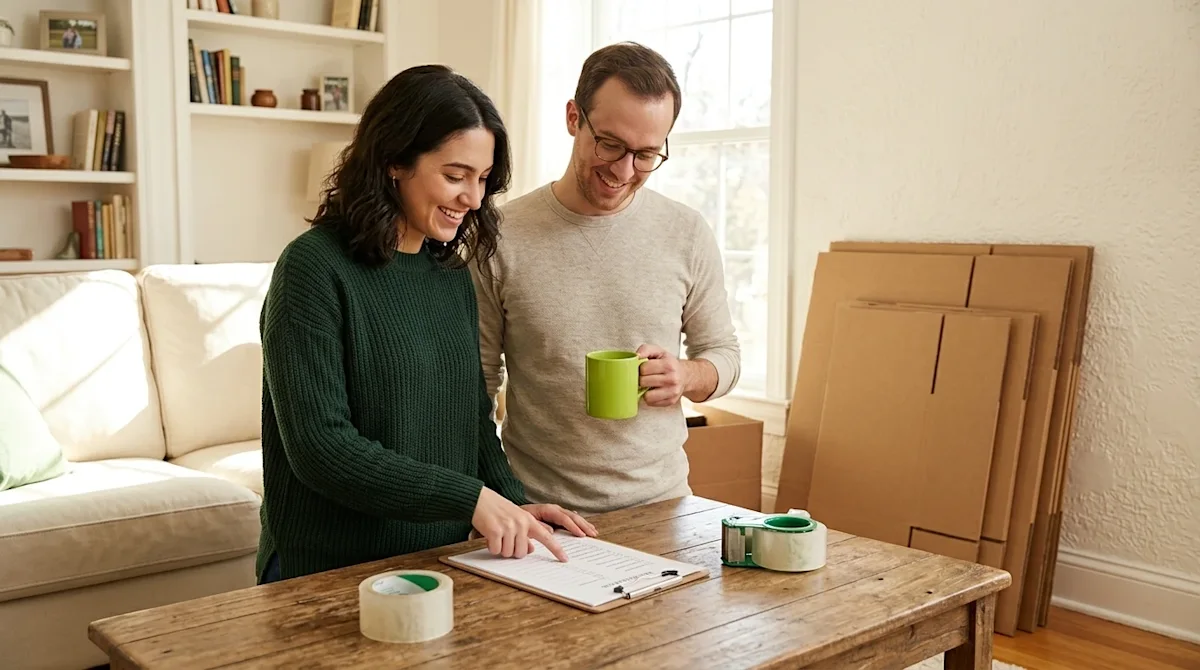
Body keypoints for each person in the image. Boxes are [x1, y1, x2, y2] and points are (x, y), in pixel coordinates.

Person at [256, 64, 596, 585]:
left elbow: (470, 420)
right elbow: (321, 448)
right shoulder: (311, 268)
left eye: (482, 179)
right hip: (324, 570)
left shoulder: (450, 274)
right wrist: (471, 498)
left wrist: (514, 504)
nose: (474, 198)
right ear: (395, 161)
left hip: (435, 564)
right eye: (455, 175)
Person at [471, 43, 741, 515]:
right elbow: (477, 385)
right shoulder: (500, 235)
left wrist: (686, 375)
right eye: (611, 144)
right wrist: (496, 500)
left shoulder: (686, 232)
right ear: (574, 117)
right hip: (540, 515)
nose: (623, 170)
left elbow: (724, 356)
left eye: (646, 155)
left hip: (664, 508)